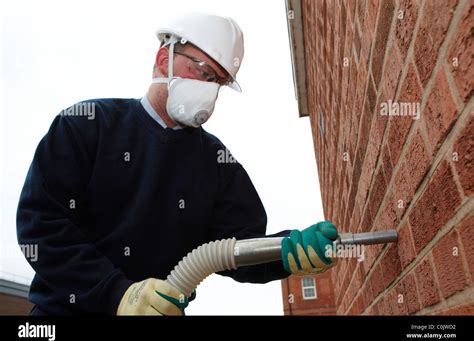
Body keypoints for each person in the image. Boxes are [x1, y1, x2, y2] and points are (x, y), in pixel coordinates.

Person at [16, 13, 338, 316]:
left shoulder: (217, 166)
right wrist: (116, 293)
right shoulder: (87, 126)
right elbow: (40, 226)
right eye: (203, 72)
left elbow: (237, 250)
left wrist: (288, 252)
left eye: (220, 82)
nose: (210, 90)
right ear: (163, 60)